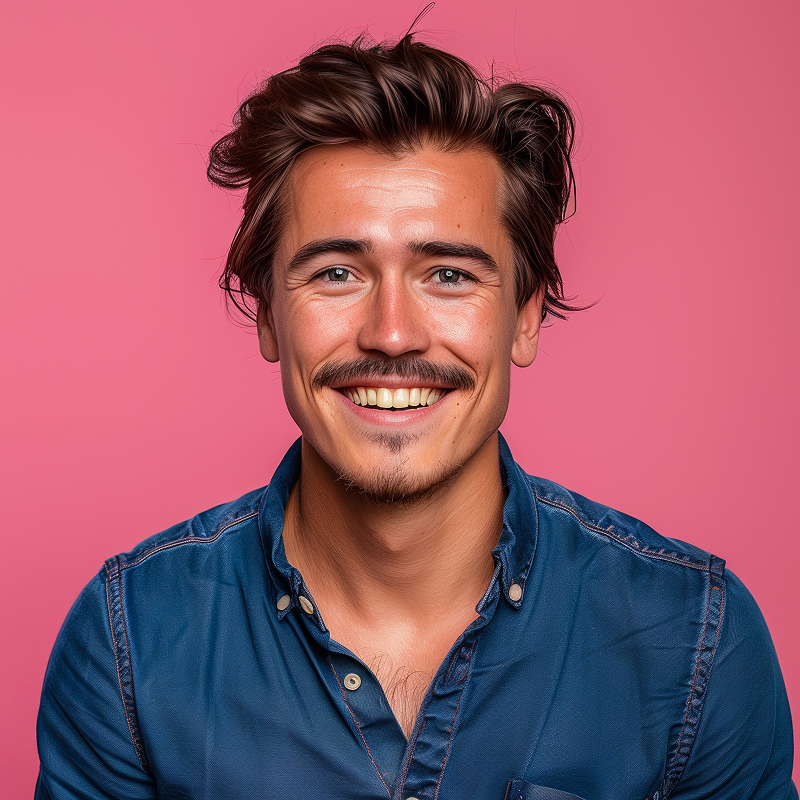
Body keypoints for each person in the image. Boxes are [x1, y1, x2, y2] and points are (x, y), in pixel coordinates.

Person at [35, 33, 796, 800]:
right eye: (336, 272)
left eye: (448, 274)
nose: (392, 333)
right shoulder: (129, 643)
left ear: (525, 317)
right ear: (267, 314)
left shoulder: (696, 644)